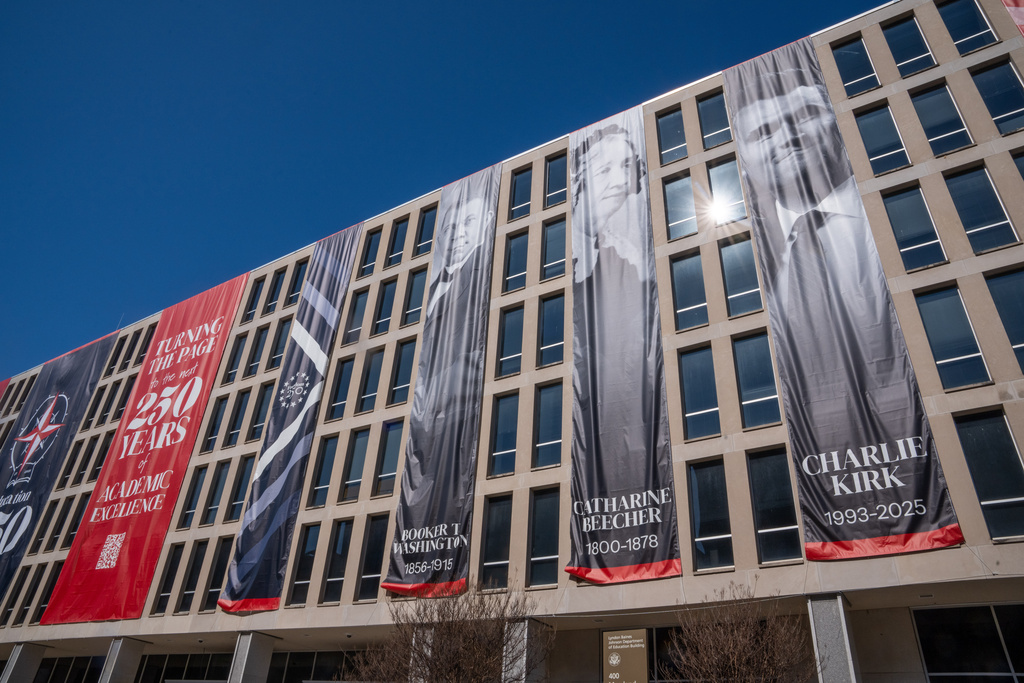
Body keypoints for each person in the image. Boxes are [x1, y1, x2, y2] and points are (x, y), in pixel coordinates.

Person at [726, 43, 924, 470]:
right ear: (743, 162)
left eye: (804, 115)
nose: (787, 136)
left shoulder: (899, 217)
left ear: (836, 123)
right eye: (763, 132)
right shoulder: (740, 264)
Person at [567, 111, 679, 582]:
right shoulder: (559, 258)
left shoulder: (629, 262)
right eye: (605, 168)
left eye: (627, 168)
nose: (620, 180)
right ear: (578, 181)